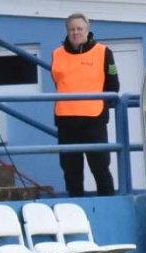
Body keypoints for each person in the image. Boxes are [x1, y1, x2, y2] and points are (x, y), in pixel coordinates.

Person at [51, 13, 119, 197]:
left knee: (100, 167)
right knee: (71, 170)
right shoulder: (57, 54)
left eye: (79, 28)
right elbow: (58, 82)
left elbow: (113, 84)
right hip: (66, 120)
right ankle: (75, 204)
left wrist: (102, 104)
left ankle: (107, 201)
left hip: (94, 120)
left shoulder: (104, 52)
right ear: (67, 31)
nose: (75, 32)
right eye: (71, 29)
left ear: (87, 31)